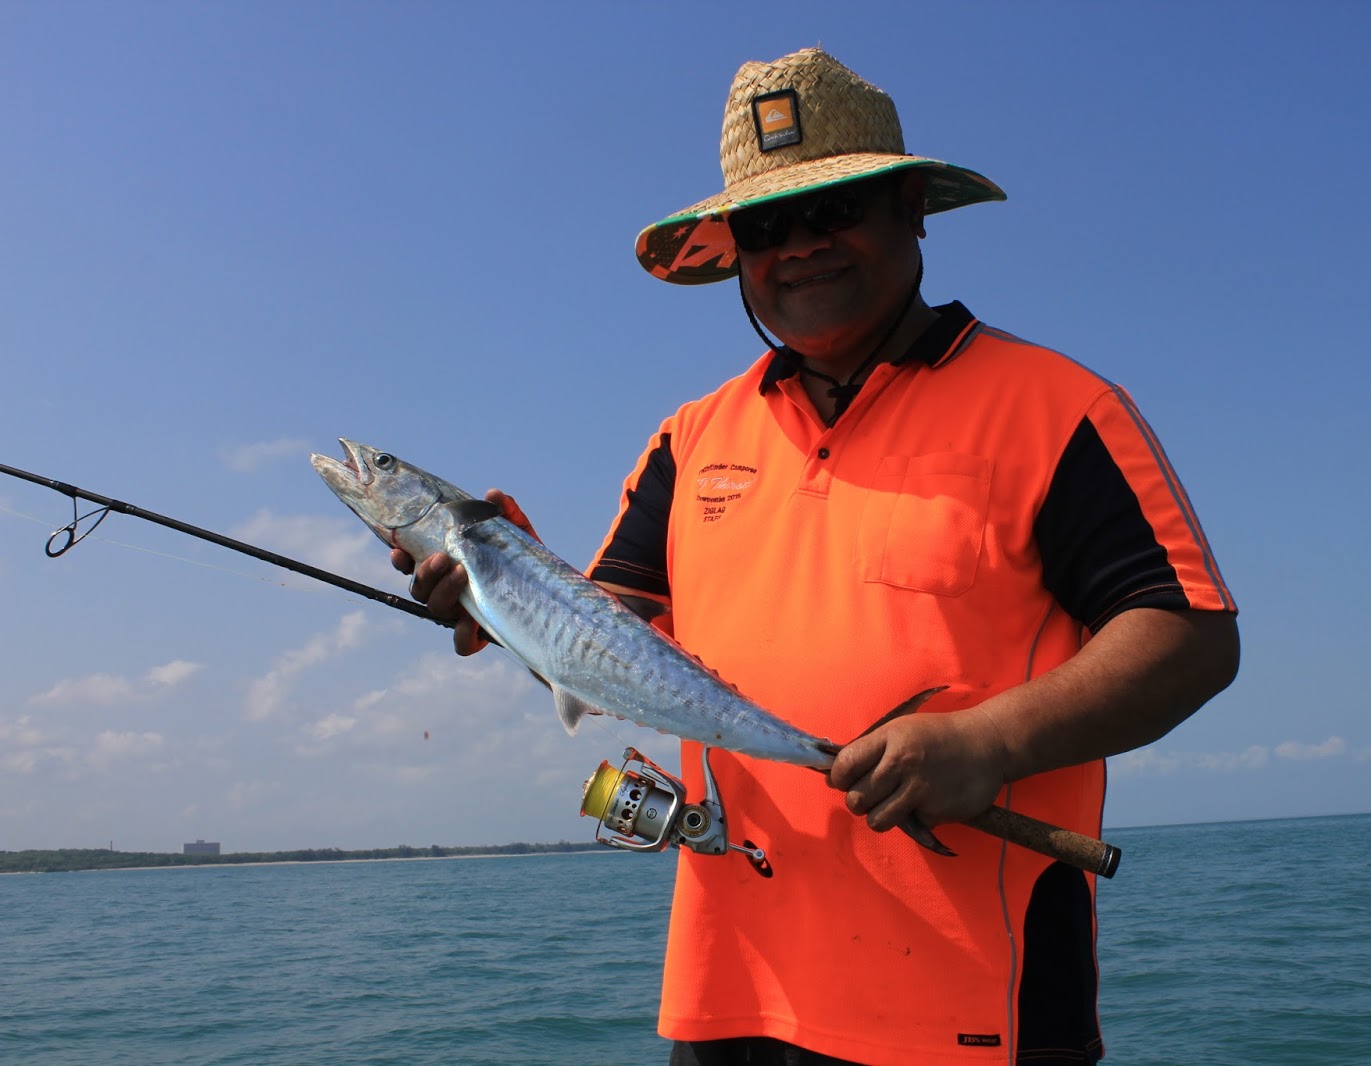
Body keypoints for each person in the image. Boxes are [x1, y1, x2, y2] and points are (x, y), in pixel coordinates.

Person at [399, 48, 1238, 1066]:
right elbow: (604, 631)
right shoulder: (688, 437)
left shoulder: (1055, 408)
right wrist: (499, 585)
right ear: (737, 254)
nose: (798, 247)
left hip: (976, 1003)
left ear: (909, 209)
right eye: (766, 226)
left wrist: (990, 741)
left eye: (832, 210)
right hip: (730, 989)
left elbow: (1189, 636)